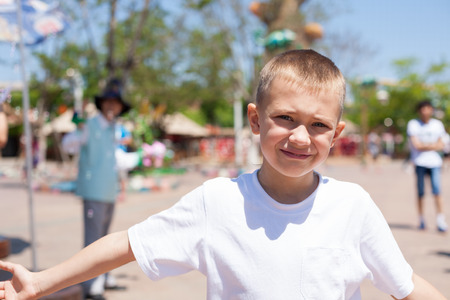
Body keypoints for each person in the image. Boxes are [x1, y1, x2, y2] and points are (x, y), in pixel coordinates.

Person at [0, 50, 446, 300]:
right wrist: (41, 281)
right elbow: (128, 244)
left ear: (338, 133)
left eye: (319, 125)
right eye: (285, 118)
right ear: (256, 120)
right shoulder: (217, 201)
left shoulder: (353, 206)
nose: (300, 137)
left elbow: (404, 286)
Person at [67, 79, 131, 300]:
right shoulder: (90, 125)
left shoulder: (116, 130)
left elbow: (117, 159)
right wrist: (78, 133)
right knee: (94, 239)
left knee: (106, 238)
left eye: (116, 103)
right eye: (109, 102)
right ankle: (91, 285)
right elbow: (70, 143)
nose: (112, 106)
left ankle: (104, 277)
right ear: (102, 104)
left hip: (109, 190)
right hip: (93, 189)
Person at [407, 100, 448, 232]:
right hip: (420, 162)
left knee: (437, 191)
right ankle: (421, 218)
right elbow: (416, 145)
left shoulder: (437, 124)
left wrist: (425, 146)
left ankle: (440, 219)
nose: (425, 111)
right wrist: (433, 146)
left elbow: (442, 144)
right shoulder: (413, 124)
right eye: (423, 108)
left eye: (428, 108)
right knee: (421, 192)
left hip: (435, 163)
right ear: (419, 111)